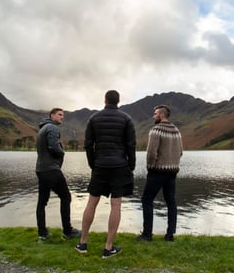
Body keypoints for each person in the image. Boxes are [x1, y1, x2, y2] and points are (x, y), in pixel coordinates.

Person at [75, 90, 136, 258]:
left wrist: (92, 164)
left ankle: (82, 243)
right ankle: (108, 248)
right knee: (116, 205)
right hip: (119, 166)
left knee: (91, 202)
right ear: (118, 101)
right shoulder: (126, 119)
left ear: (105, 100)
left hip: (100, 166)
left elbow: (88, 145)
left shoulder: (93, 118)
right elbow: (131, 145)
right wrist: (131, 165)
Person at [136, 104, 183, 242]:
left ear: (162, 115)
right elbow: (180, 152)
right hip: (172, 172)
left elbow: (151, 153)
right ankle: (170, 235)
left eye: (155, 114)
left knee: (147, 200)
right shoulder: (177, 131)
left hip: (157, 172)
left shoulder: (156, 130)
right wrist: (173, 164)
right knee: (171, 202)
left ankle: (147, 234)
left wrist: (150, 167)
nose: (153, 116)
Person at [35, 107, 81, 241]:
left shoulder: (42, 129)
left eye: (63, 115)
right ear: (52, 115)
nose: (62, 117)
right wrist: (62, 152)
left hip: (41, 169)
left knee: (42, 202)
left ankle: (42, 233)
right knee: (66, 197)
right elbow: (54, 147)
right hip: (51, 169)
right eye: (60, 115)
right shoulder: (52, 128)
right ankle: (68, 231)